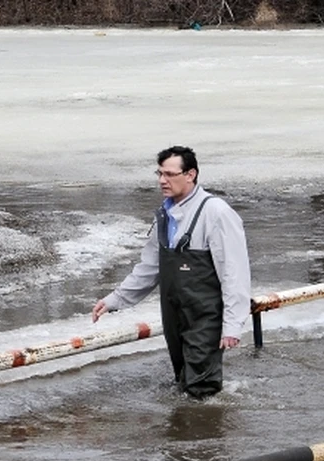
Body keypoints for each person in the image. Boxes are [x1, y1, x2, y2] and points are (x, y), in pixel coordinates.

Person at [92, 146, 251, 399]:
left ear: (190, 174)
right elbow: (149, 267)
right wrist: (116, 299)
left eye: (169, 174)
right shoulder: (164, 214)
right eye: (159, 174)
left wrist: (232, 325)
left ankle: (207, 432)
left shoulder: (216, 213)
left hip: (205, 315)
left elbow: (235, 272)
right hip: (174, 312)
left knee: (201, 389)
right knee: (183, 382)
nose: (162, 181)